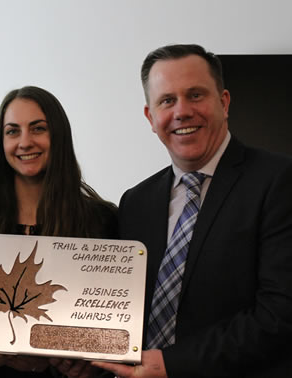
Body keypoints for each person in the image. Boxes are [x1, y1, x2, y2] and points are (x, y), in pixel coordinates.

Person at [93, 44, 292, 378]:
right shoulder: (136, 202)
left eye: (196, 95)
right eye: (167, 100)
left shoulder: (279, 181)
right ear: (150, 117)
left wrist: (172, 365)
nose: (182, 111)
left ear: (224, 102)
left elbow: (280, 313)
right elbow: (122, 308)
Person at [0, 86, 118, 378]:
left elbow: (112, 323)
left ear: (58, 136)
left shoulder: (101, 219)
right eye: (12, 131)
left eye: (38, 129)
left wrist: (91, 364)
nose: (25, 142)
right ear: (1, 141)